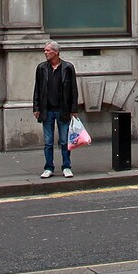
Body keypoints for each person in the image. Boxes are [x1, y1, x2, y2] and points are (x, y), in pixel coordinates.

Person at [31, 40, 79, 180]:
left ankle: (66, 166)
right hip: (47, 110)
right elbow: (37, 89)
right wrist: (36, 107)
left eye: (48, 50)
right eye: (45, 50)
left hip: (62, 110)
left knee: (64, 141)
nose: (45, 53)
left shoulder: (68, 68)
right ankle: (48, 167)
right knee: (48, 142)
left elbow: (73, 90)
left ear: (56, 52)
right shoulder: (41, 68)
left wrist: (73, 109)